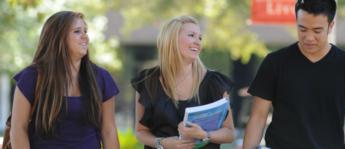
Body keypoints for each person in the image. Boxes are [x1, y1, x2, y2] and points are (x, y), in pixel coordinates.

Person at [243, 0, 345, 148]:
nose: (309, 37)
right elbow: (258, 117)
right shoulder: (274, 62)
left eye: (317, 31)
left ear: (331, 26)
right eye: (303, 29)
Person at [10, 11, 120, 149]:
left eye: (85, 31)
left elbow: (108, 131)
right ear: (57, 37)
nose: (85, 36)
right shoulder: (32, 77)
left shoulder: (102, 78)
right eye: (77, 31)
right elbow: (18, 129)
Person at [131, 16, 235, 149]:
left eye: (200, 38)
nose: (198, 42)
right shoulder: (147, 81)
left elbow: (229, 133)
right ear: (171, 39)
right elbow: (141, 131)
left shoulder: (215, 82)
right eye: (192, 35)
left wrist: (205, 134)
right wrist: (162, 143)